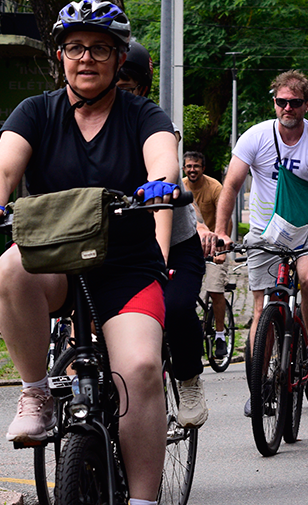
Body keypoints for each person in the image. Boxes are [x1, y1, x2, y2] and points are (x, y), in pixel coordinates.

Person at [0, 0, 179, 505]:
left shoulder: (143, 114)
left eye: (100, 49)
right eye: (75, 47)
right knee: (11, 264)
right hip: (56, 263)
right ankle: (35, 391)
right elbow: (2, 167)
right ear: (60, 55)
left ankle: (143, 500)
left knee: (140, 369)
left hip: (127, 271)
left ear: (119, 58)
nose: (86, 58)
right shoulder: (36, 112)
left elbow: (162, 156)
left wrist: (160, 183)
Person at [213, 70, 308, 416]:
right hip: (264, 235)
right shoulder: (255, 137)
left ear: (306, 104)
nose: (288, 108)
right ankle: (259, 387)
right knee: (261, 309)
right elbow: (231, 185)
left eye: (295, 102)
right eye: (282, 102)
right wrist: (222, 231)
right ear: (274, 103)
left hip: (306, 230)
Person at [116, 41, 211, 427]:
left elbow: (163, 199)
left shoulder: (153, 126)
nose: (116, 93)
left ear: (142, 88)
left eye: (126, 86)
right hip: (113, 247)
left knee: (172, 308)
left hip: (174, 245)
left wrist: (155, 266)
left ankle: (188, 378)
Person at [183, 149, 233, 361]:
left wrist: (222, 248)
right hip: (188, 248)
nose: (192, 169)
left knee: (215, 289)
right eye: (189, 166)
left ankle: (220, 335)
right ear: (183, 168)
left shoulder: (214, 187)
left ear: (203, 168)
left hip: (214, 248)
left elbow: (226, 218)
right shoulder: (180, 186)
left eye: (196, 166)